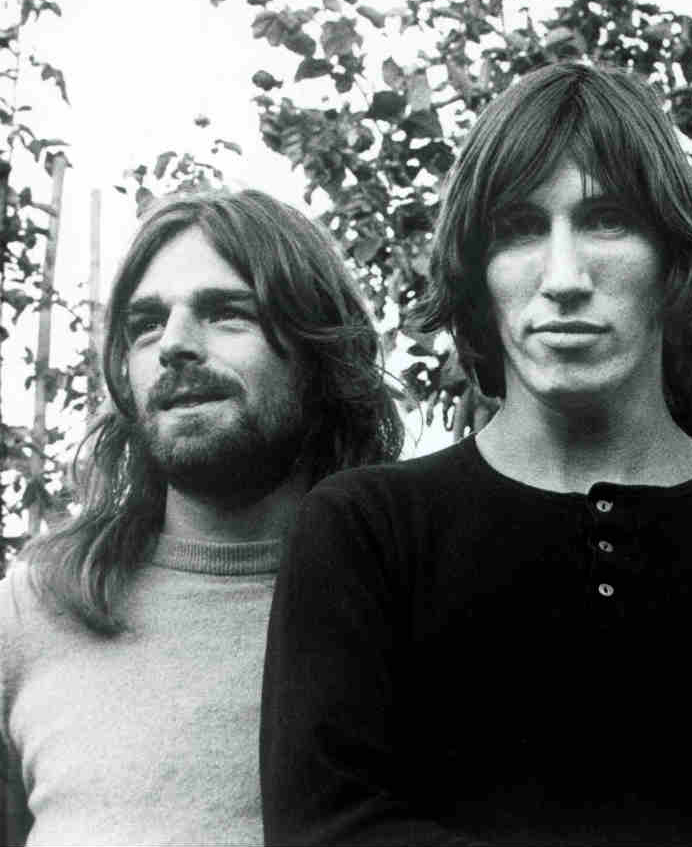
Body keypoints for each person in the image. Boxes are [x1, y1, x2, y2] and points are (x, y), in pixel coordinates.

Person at [260, 62, 692, 845]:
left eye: (607, 220)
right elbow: (332, 827)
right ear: (477, 276)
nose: (564, 278)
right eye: (518, 228)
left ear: (673, 260)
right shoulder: (367, 529)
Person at [0, 189, 403, 846]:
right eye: (146, 324)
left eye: (226, 313)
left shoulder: (401, 608)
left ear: (319, 351)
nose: (175, 345)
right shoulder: (35, 612)